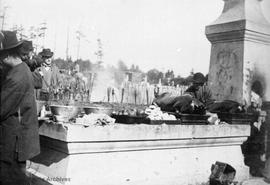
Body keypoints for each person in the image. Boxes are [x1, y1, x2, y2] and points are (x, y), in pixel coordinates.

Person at [0, 30, 40, 185]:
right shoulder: (19, 70)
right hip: (13, 140)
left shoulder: (17, 77)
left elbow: (2, 108)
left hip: (12, 143)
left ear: (7, 55)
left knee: (12, 179)